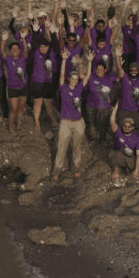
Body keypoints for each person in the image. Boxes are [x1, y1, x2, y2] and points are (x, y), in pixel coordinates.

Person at [52, 50, 90, 181]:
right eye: (72, 79)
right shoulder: (63, 89)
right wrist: (63, 60)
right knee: (61, 147)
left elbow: (87, 76)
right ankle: (56, 171)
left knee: (77, 147)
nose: (74, 81)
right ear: (69, 79)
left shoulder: (79, 88)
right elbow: (61, 74)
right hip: (65, 122)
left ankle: (76, 168)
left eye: (76, 79)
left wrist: (89, 62)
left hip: (79, 122)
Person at [29, 23, 61, 132]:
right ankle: (37, 121)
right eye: (41, 46)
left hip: (48, 83)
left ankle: (53, 120)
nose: (42, 48)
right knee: (38, 102)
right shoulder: (36, 52)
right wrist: (34, 32)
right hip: (36, 82)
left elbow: (56, 45)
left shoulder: (52, 53)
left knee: (49, 103)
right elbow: (33, 44)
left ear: (48, 46)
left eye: (45, 46)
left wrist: (52, 33)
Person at [108, 102, 139, 186]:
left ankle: (129, 171)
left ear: (133, 127)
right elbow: (112, 121)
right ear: (122, 126)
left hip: (130, 158)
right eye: (125, 126)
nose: (127, 128)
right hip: (118, 155)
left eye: (129, 126)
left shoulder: (138, 139)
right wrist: (114, 111)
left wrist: (136, 171)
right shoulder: (118, 132)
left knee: (136, 173)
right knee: (115, 156)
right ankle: (117, 170)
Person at [84, 60, 116, 143]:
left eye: (101, 69)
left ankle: (102, 139)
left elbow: (120, 77)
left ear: (105, 70)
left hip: (104, 107)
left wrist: (118, 59)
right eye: (97, 69)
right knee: (92, 123)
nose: (99, 71)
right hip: (91, 105)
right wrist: (83, 63)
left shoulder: (110, 78)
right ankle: (93, 139)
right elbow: (81, 75)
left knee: (103, 124)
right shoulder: (91, 77)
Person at [3, 35, 29, 132]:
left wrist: (23, 39)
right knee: (13, 109)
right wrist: (3, 40)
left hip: (23, 87)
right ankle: (10, 127)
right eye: (12, 50)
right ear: (10, 52)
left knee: (21, 107)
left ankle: (19, 125)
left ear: (19, 50)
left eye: (16, 49)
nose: (14, 51)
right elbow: (2, 51)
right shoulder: (8, 59)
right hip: (13, 88)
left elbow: (26, 50)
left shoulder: (23, 58)